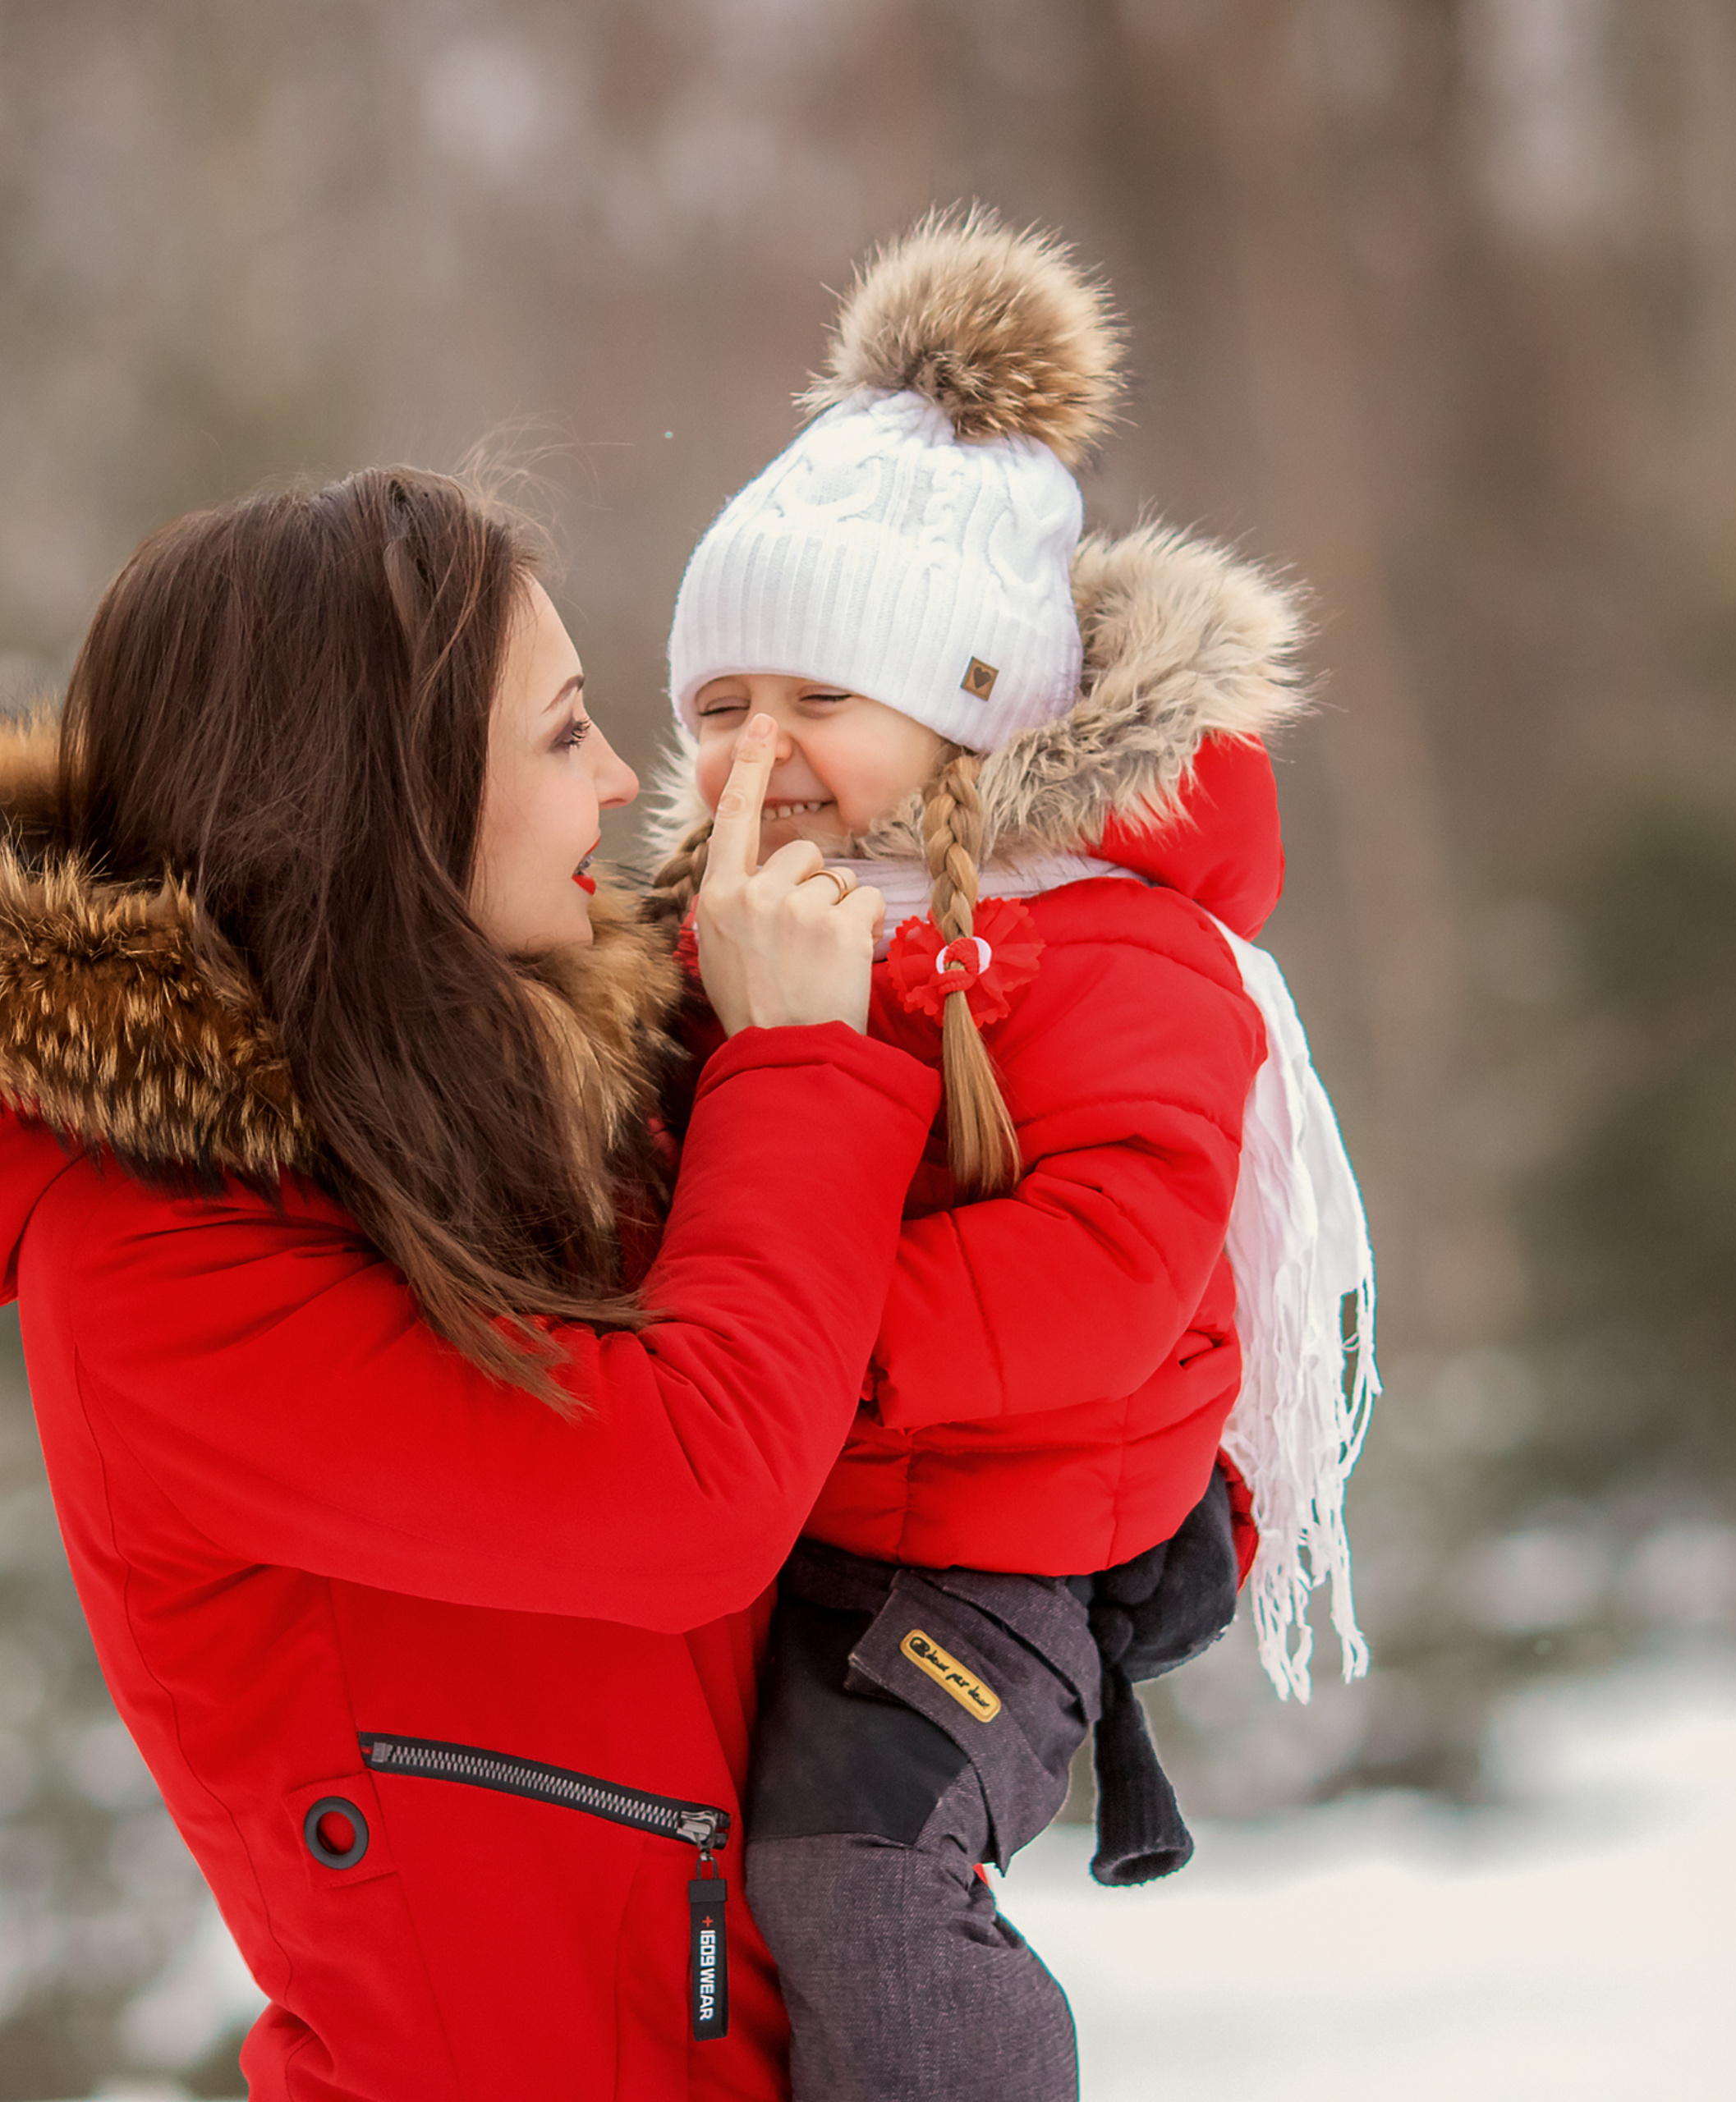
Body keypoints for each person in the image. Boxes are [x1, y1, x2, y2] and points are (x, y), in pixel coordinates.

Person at [0, 465, 939, 2100]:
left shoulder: (495, 1109)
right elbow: (693, 1485)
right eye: (567, 731)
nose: (624, 780)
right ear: (388, 794)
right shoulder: (155, 1265)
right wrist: (793, 1065)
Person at [649, 210, 1376, 2102]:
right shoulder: (717, 925)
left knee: (855, 1869)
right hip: (806, 1507)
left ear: (973, 708)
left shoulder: (1115, 944)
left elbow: (1115, 1258)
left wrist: (805, 1339)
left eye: (821, 701)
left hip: (996, 1541)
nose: (757, 753)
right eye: (718, 706)